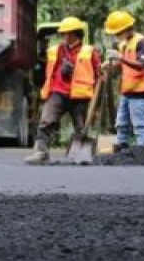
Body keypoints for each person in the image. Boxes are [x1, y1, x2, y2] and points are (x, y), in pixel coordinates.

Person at [25, 17, 102, 164]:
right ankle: (41, 152)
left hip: (79, 95)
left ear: (76, 33)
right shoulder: (56, 50)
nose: (64, 36)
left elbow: (99, 74)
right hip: (58, 92)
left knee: (82, 127)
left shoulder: (90, 51)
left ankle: (82, 155)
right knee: (46, 121)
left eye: (67, 33)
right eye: (63, 33)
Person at [104, 10, 144, 162]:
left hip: (141, 90)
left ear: (126, 29)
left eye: (117, 33)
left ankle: (141, 150)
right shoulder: (125, 44)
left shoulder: (142, 42)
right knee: (121, 122)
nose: (116, 36)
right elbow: (124, 64)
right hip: (127, 89)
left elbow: (142, 64)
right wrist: (110, 65)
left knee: (140, 123)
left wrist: (120, 58)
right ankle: (122, 148)